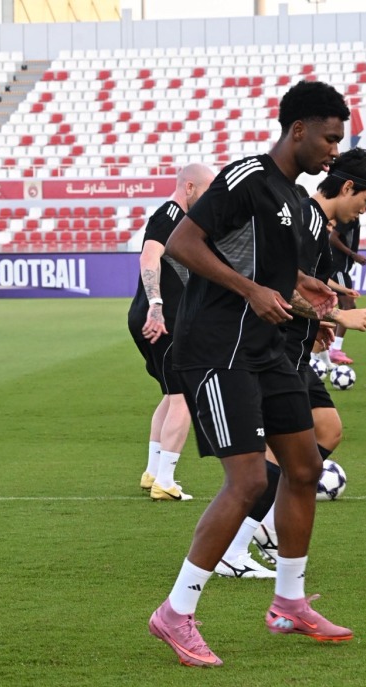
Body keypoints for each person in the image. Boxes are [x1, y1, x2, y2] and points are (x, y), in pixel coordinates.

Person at [147, 80, 354, 667]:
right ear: (298, 130)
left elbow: (278, 278)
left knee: (305, 465)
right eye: (329, 138)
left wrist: (309, 295)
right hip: (216, 348)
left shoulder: (301, 206)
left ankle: (288, 600)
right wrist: (250, 288)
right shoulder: (246, 179)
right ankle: (176, 612)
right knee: (248, 481)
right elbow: (183, 243)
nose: (334, 151)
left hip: (267, 350)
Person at [216, 148, 366, 579]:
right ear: (347, 187)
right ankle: (235, 546)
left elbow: (301, 279)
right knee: (277, 452)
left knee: (326, 430)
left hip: (297, 345)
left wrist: (320, 316)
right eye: (365, 201)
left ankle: (264, 527)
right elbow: (284, 286)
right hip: (279, 348)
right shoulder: (307, 217)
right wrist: (336, 315)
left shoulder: (312, 218)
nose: (363, 211)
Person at [128, 163, 214, 501]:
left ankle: (152, 472)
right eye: (206, 192)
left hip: (149, 317)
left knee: (170, 393)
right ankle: (165, 480)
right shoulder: (169, 215)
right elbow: (149, 258)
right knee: (185, 397)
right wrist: (157, 305)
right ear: (189, 187)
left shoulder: (179, 219)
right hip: (164, 320)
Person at [327, 207, 366, 363]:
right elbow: (333, 237)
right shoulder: (349, 218)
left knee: (332, 306)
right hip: (337, 269)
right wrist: (353, 254)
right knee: (349, 305)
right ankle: (334, 349)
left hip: (340, 269)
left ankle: (327, 349)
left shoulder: (353, 218)